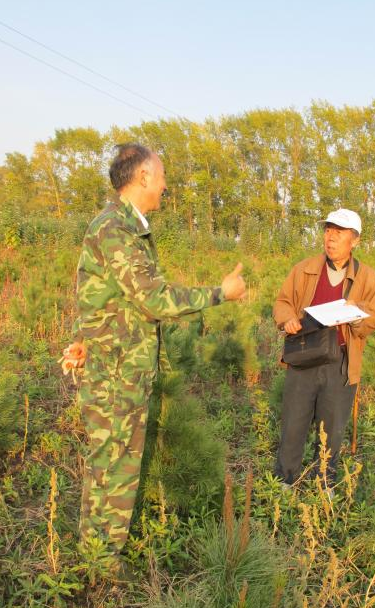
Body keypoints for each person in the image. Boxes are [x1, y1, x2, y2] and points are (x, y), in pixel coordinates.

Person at [61, 143, 245, 564]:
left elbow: (97, 292)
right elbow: (153, 299)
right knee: (117, 468)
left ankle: (94, 553)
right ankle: (103, 560)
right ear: (143, 176)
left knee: (107, 463)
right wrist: (220, 293)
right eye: (161, 176)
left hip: (118, 367)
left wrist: (82, 336)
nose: (165, 185)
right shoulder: (115, 228)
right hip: (117, 374)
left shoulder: (122, 226)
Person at [273, 208, 375, 489]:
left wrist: (356, 314)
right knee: (293, 424)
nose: (330, 237)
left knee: (332, 429)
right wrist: (287, 318)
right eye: (328, 230)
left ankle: (324, 484)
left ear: (355, 240)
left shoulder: (368, 279)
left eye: (339, 232)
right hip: (304, 356)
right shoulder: (304, 269)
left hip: (341, 363)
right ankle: (284, 482)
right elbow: (283, 302)